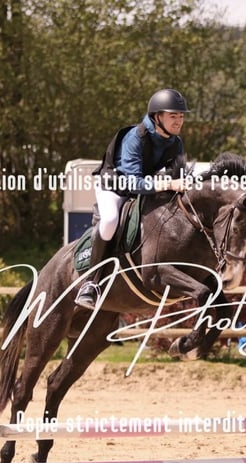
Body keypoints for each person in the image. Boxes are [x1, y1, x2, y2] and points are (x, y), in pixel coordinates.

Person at [75, 88, 190, 309]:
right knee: (109, 222)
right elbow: (131, 182)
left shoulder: (175, 142)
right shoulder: (135, 138)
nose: (179, 121)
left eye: (181, 116)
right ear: (157, 117)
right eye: (173, 116)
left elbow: (177, 176)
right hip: (115, 188)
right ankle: (90, 283)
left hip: (143, 190)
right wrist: (167, 183)